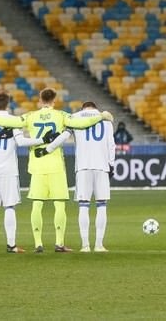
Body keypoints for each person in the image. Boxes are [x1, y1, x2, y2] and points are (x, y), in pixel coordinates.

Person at [0, 87, 108, 253]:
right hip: (56, 165)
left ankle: (38, 244)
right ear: (54, 100)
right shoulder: (61, 115)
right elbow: (80, 124)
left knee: (37, 205)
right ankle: (59, 244)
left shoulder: (31, 116)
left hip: (37, 165)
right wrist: (100, 116)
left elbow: (10, 122)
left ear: (40, 100)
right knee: (59, 205)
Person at [0, 90, 42, 253]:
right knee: (10, 207)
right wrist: (42, 140)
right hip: (9, 170)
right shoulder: (14, 120)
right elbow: (21, 142)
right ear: (8, 104)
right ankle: (11, 245)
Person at [45, 101, 115, 252]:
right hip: (101, 166)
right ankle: (99, 245)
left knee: (84, 205)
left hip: (83, 166)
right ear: (95, 108)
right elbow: (111, 144)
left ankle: (85, 245)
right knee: (101, 206)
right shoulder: (106, 119)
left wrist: (48, 148)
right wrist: (111, 164)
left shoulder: (74, 117)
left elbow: (64, 136)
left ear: (83, 108)